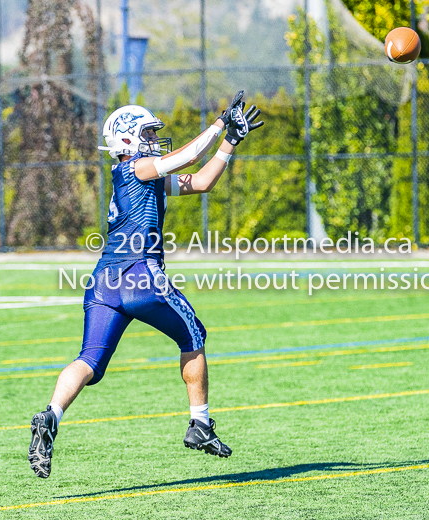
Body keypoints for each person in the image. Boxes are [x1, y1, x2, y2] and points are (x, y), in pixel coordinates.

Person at [28, 91, 264, 478]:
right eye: (148, 134)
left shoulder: (142, 178)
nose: (155, 140)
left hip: (104, 282)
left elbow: (202, 181)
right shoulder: (137, 169)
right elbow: (187, 157)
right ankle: (200, 424)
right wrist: (221, 122)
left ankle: (50, 415)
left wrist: (230, 142)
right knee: (193, 335)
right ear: (127, 140)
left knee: (90, 360)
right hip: (140, 274)